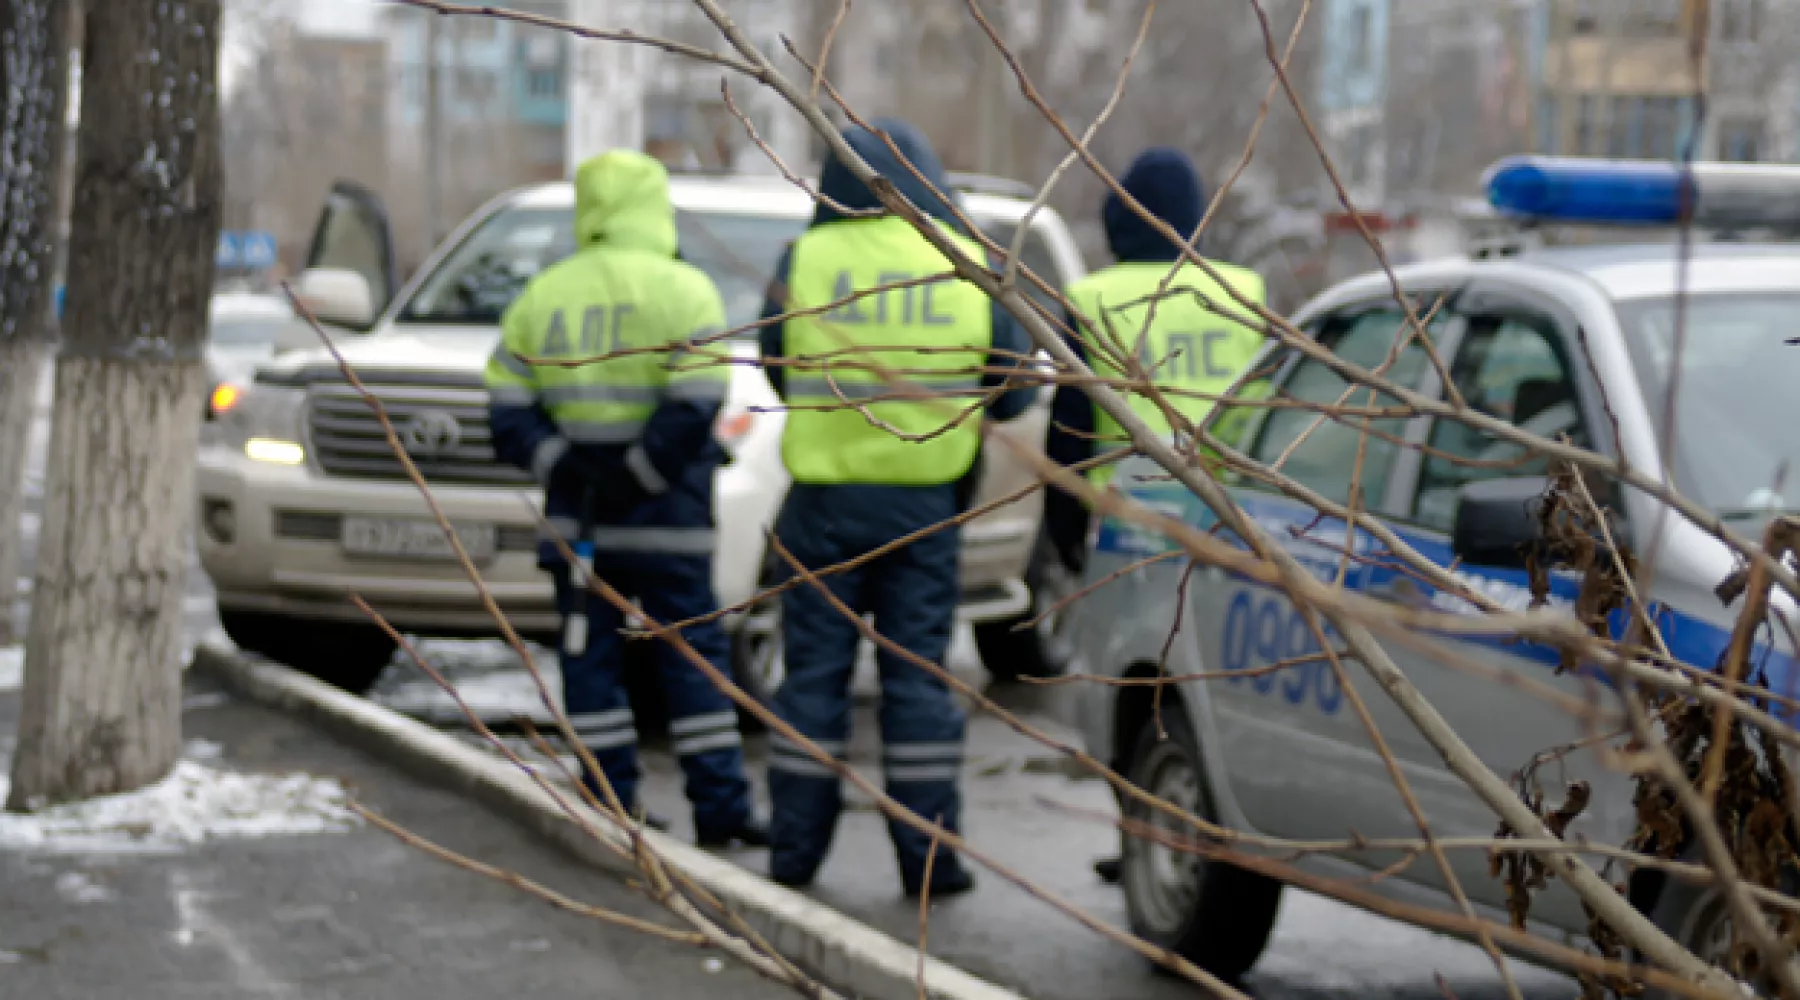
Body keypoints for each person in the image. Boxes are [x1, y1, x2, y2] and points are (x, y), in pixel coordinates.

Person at [757, 119, 1036, 897]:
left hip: (823, 506)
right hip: (925, 512)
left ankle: (793, 858)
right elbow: (1018, 391)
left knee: (812, 681)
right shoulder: (963, 261)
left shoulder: (804, 258)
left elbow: (776, 366)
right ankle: (929, 862)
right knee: (916, 684)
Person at [486, 149, 766, 848]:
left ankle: (608, 801)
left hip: (580, 522)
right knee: (694, 662)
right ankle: (721, 811)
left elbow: (506, 407)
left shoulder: (542, 296)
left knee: (590, 663)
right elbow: (698, 400)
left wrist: (567, 466)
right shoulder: (686, 292)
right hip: (669, 517)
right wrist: (641, 474)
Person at [1040, 147, 1267, 884]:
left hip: (1132, 528)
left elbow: (1070, 435)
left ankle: (1142, 833)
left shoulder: (1095, 298)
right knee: (1209, 689)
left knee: (1131, 687)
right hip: (1230, 523)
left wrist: (1067, 537)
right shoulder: (1242, 290)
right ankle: (1200, 829)